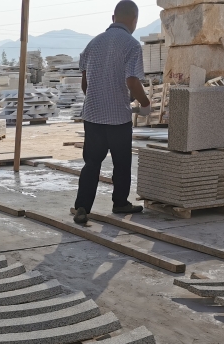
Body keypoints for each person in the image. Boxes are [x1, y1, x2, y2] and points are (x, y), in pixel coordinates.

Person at [73, 0, 151, 225]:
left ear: (113, 18)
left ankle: (82, 207)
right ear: (134, 20)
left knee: (91, 163)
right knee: (122, 163)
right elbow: (132, 80)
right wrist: (145, 103)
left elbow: (85, 83)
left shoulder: (93, 43)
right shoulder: (132, 45)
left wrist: (96, 100)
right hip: (118, 117)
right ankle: (120, 203)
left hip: (93, 116)